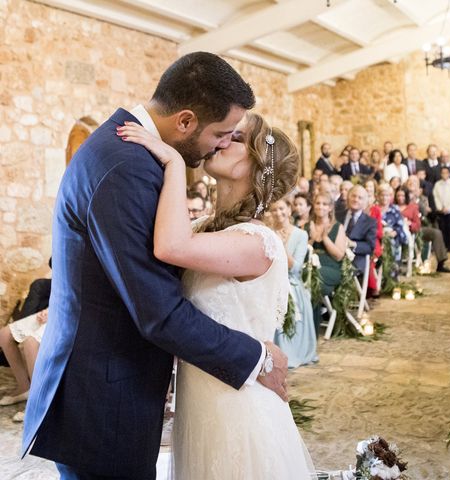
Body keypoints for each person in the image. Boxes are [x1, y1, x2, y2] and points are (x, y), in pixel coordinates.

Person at [23, 53, 289, 480]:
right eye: (221, 133)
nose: (220, 144)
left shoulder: (128, 153)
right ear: (185, 121)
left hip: (124, 390)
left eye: (233, 139)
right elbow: (157, 310)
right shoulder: (125, 165)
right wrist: (255, 357)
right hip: (103, 401)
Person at [119, 112, 315, 478]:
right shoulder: (202, 228)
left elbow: (169, 246)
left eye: (235, 139)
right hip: (199, 404)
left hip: (237, 408)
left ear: (258, 166)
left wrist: (176, 164)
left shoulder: (258, 242)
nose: (221, 141)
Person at [270, 199, 318, 369]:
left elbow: (296, 268)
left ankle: (292, 352)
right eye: (274, 209)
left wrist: (280, 244)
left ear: (289, 210)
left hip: (292, 282)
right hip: (271, 281)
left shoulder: (300, 235)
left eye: (281, 208)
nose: (278, 213)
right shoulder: (268, 232)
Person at [306, 191, 347, 333]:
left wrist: (324, 238)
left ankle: (311, 328)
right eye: (318, 203)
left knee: (313, 280)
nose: (320, 207)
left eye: (324, 204)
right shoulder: (306, 225)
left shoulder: (337, 227)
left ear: (330, 208)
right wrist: (311, 239)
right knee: (307, 279)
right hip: (309, 267)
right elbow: (300, 253)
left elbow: (339, 256)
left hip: (331, 268)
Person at [339, 185, 377, 276]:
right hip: (335, 254)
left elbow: (370, 247)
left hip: (356, 258)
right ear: (348, 197)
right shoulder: (338, 215)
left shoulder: (370, 222)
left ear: (365, 202)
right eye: (353, 196)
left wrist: (353, 244)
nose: (356, 199)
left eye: (360, 198)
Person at [433, 166, 450, 251]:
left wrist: (448, 208)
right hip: (440, 210)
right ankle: (443, 245)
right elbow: (435, 196)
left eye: (446, 173)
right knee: (442, 228)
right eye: (443, 173)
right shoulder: (437, 184)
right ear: (441, 174)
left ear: (449, 174)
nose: (444, 174)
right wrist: (440, 207)